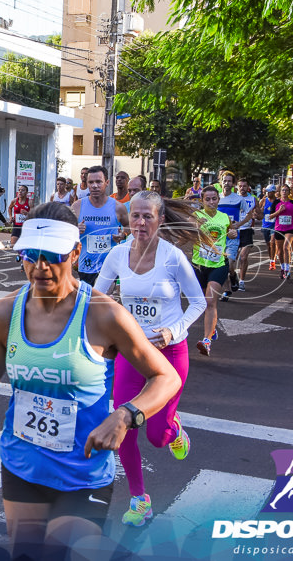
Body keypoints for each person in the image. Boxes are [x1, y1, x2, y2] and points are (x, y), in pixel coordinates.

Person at [0, 202, 180, 560]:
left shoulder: (105, 315)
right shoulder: (2, 314)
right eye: (31, 255)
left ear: (75, 252)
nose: (40, 267)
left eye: (53, 256)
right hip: (22, 463)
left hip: (83, 472)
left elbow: (165, 377)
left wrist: (125, 416)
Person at [94, 191, 205, 527]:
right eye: (135, 216)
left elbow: (198, 303)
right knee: (124, 424)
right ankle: (139, 500)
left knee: (157, 437)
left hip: (170, 353)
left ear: (160, 220)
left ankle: (174, 429)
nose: (140, 223)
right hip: (133, 350)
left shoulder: (172, 258)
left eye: (147, 217)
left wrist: (173, 330)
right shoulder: (116, 255)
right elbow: (98, 297)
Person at [192, 186, 248, 356]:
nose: (211, 202)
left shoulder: (223, 217)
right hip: (199, 264)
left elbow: (232, 231)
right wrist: (194, 227)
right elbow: (186, 233)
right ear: (202, 201)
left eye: (214, 199)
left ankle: (207, 341)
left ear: (218, 199)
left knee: (210, 302)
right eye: (207, 199)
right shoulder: (196, 216)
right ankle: (212, 328)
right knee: (202, 303)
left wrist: (232, 233)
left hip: (218, 265)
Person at [70, 165, 129, 285]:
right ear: (86, 184)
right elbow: (66, 232)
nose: (94, 185)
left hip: (110, 266)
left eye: (98, 181)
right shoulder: (77, 206)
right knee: (88, 301)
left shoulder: (118, 207)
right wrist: (75, 229)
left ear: (106, 182)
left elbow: (129, 227)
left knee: (106, 301)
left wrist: (123, 235)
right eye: (91, 182)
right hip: (86, 265)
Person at [268, 185, 293, 280]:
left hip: (291, 227)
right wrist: (279, 211)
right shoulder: (276, 202)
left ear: (289, 192)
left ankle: (287, 269)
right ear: (280, 192)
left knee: (286, 247)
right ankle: (282, 268)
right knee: (280, 251)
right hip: (279, 228)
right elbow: (270, 216)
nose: (284, 192)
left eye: (286, 190)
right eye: (283, 190)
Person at [260, 185, 279, 270]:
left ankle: (272, 262)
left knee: (272, 242)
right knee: (268, 245)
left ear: (274, 192)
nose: (267, 193)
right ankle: (272, 257)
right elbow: (258, 210)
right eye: (266, 191)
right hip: (265, 225)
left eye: (269, 191)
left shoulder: (278, 201)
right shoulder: (264, 200)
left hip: (275, 225)